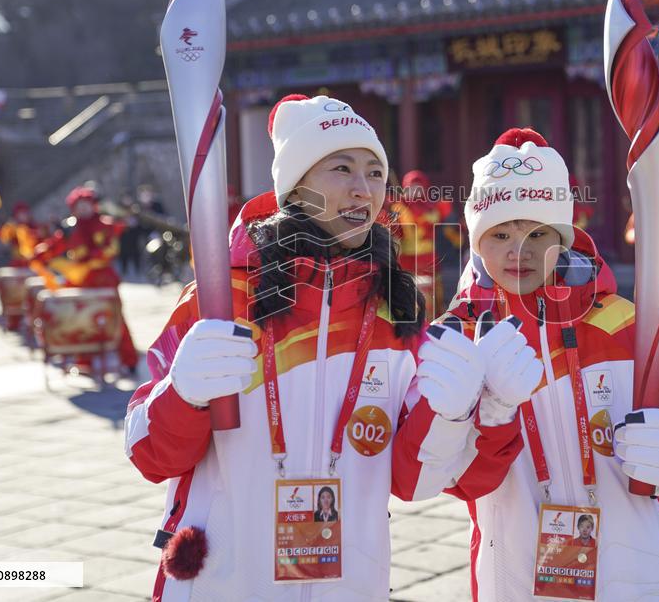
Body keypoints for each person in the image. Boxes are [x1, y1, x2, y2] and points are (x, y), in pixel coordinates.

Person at [124, 95, 543, 601]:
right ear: (295, 187)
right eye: (341, 168)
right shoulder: (223, 298)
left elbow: (415, 480)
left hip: (349, 581)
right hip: (224, 580)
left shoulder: (397, 311)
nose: (362, 188)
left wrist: (456, 414)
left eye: (373, 173)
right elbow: (148, 452)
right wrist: (183, 392)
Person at [443, 127, 659, 601]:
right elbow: (453, 479)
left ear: (564, 235)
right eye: (500, 234)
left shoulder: (621, 324)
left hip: (634, 574)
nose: (520, 251)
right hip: (515, 574)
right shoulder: (460, 337)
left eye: (538, 233)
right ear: (477, 243)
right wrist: (486, 419)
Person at [33, 186, 138, 373]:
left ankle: (129, 360)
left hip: (103, 279)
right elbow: (54, 245)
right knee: (78, 319)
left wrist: (91, 257)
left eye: (86, 204)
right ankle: (84, 361)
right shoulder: (70, 227)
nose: (83, 209)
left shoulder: (105, 224)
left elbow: (110, 249)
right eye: (79, 206)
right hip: (81, 281)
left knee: (114, 319)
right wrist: (40, 251)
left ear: (94, 205)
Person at [390, 169, 462, 318]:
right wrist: (399, 214)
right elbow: (397, 233)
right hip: (407, 260)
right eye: (411, 187)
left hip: (429, 259)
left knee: (434, 297)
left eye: (418, 186)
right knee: (410, 296)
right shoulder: (399, 208)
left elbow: (448, 225)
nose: (414, 191)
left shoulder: (433, 207)